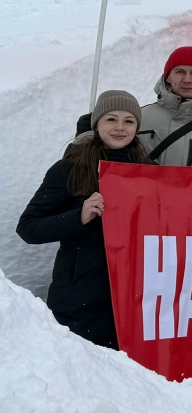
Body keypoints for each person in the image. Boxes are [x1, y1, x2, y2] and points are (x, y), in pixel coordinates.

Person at [18, 91, 152, 350]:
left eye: (129, 121)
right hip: (80, 300)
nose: (120, 128)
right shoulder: (69, 168)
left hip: (133, 298)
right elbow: (28, 228)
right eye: (111, 119)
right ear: (97, 124)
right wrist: (78, 216)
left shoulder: (149, 171)